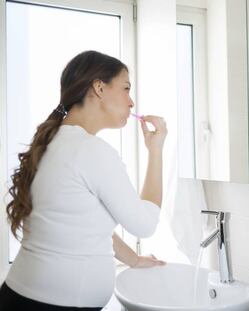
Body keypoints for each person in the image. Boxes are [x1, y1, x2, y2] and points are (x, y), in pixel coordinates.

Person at [0, 50, 168, 310]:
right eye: (126, 88)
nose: (131, 102)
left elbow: (82, 226)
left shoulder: (51, 142)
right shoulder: (91, 150)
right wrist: (156, 151)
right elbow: (145, 224)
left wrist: (133, 259)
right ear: (99, 88)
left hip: (21, 295)